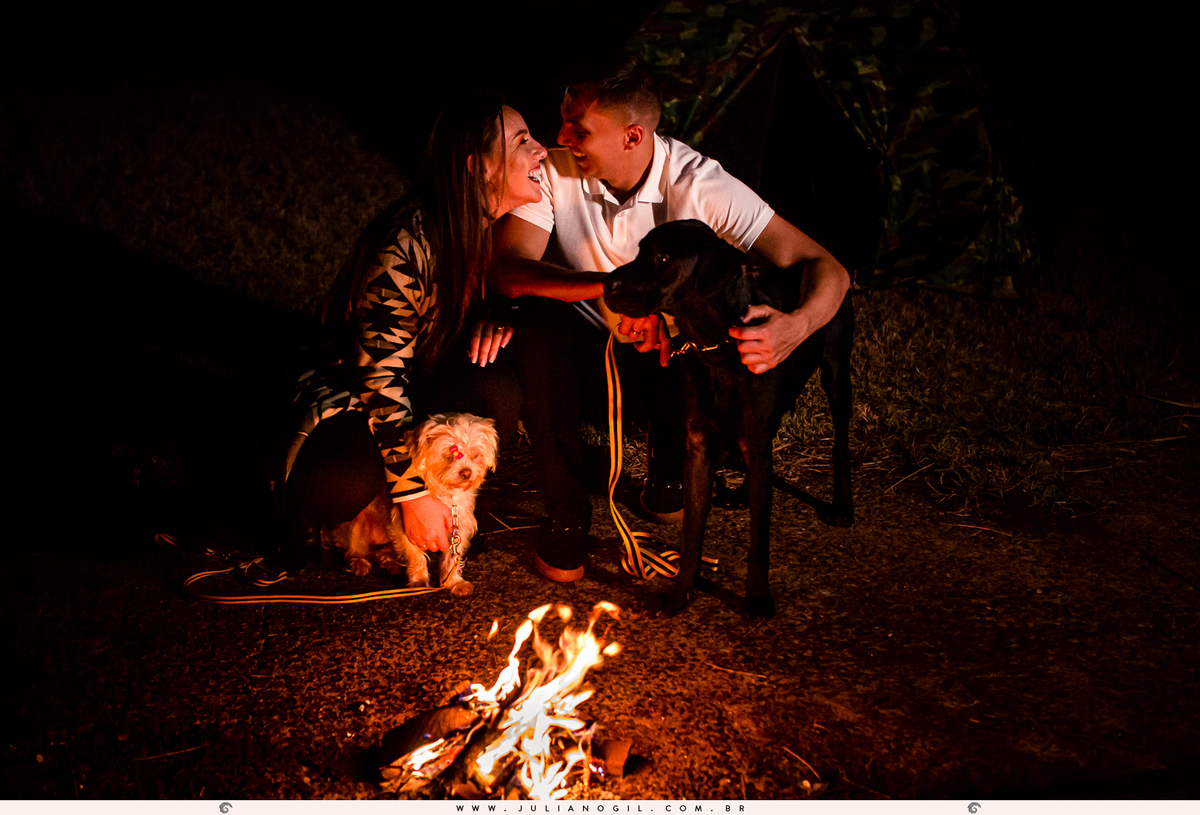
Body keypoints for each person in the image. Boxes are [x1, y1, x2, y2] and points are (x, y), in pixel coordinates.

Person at [491, 53, 851, 583]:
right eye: (562, 118)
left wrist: (794, 328)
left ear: (633, 137)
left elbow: (830, 270)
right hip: (585, 351)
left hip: (664, 359)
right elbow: (508, 267)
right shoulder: (555, 168)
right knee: (535, 329)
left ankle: (666, 475)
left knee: (699, 331)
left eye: (578, 127)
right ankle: (567, 516)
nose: (558, 137)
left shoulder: (699, 186)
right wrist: (610, 294)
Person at [280, 96, 546, 565]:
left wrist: (488, 318)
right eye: (523, 141)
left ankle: (452, 510)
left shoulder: (485, 226)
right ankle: (363, 511)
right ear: (479, 166)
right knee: (337, 486)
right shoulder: (407, 246)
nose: (541, 150)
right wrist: (411, 495)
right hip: (349, 394)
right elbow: (378, 378)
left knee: (495, 386)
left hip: (416, 378)